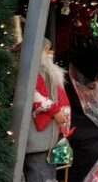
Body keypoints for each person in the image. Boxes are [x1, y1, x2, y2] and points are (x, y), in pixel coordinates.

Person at [25, 39, 71, 182]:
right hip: (38, 140)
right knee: (41, 175)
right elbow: (34, 95)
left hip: (49, 138)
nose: (50, 52)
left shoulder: (47, 70)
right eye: (46, 48)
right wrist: (55, 111)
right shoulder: (32, 69)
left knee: (49, 176)